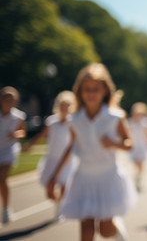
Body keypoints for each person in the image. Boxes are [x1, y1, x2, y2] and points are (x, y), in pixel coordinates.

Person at [46, 63, 137, 241]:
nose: (91, 93)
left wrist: (114, 143)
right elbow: (71, 147)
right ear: (79, 91)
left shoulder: (114, 117)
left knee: (104, 231)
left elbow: (129, 144)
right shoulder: (75, 120)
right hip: (84, 178)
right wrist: (53, 177)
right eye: (87, 89)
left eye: (96, 89)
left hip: (107, 178)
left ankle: (115, 228)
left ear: (104, 90)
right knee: (86, 228)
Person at [22, 91, 77, 219]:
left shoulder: (73, 123)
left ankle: (61, 209)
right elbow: (41, 135)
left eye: (67, 106)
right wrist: (30, 145)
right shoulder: (51, 122)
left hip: (66, 160)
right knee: (49, 190)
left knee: (64, 184)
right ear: (58, 106)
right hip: (51, 159)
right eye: (62, 106)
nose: (65, 109)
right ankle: (60, 202)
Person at [0, 86, 26, 224]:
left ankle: (5, 208)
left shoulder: (18, 116)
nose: (9, 103)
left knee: (2, 178)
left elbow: (22, 132)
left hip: (9, 149)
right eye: (6, 100)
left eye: (12, 100)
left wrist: (15, 134)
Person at [127, 102, 147, 192]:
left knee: (140, 164)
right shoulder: (130, 123)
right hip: (134, 146)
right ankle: (137, 175)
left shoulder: (145, 122)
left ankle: (138, 176)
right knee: (136, 162)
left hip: (142, 146)